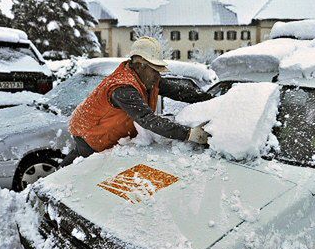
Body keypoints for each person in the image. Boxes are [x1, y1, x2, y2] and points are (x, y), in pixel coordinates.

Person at [59, 36, 213, 167]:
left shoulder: (149, 79)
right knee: (86, 172)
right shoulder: (123, 88)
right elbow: (147, 119)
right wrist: (190, 134)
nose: (157, 75)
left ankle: (56, 175)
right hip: (91, 132)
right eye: (154, 70)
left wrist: (213, 100)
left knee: (74, 164)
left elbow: (181, 92)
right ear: (140, 66)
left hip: (104, 128)